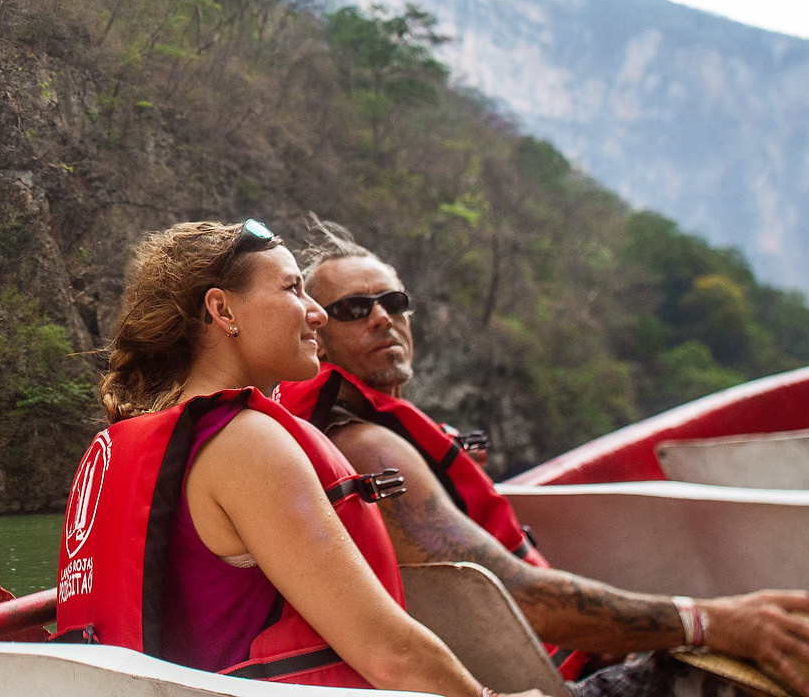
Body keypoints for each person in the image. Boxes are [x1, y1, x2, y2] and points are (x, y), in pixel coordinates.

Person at [278, 218, 809, 697]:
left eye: (393, 302)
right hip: (535, 687)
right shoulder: (368, 448)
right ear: (317, 338)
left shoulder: (360, 433)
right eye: (352, 309)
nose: (381, 319)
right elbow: (516, 598)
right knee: (769, 664)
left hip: (544, 662)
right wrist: (711, 621)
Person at [56, 218, 548, 697]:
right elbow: (388, 651)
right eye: (293, 289)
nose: (318, 313)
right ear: (223, 311)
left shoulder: (120, 449)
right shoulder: (243, 442)